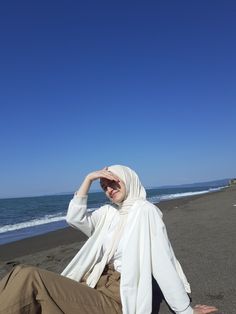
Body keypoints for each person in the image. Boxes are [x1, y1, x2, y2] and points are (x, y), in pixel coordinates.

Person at [0, 165, 218, 314]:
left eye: (113, 183)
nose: (109, 190)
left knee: (27, 277)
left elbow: (163, 263)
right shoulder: (109, 213)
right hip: (93, 282)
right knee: (20, 277)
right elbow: (75, 219)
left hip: (117, 296)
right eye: (104, 187)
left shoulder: (145, 211)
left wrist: (184, 310)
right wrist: (88, 179)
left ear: (128, 179)